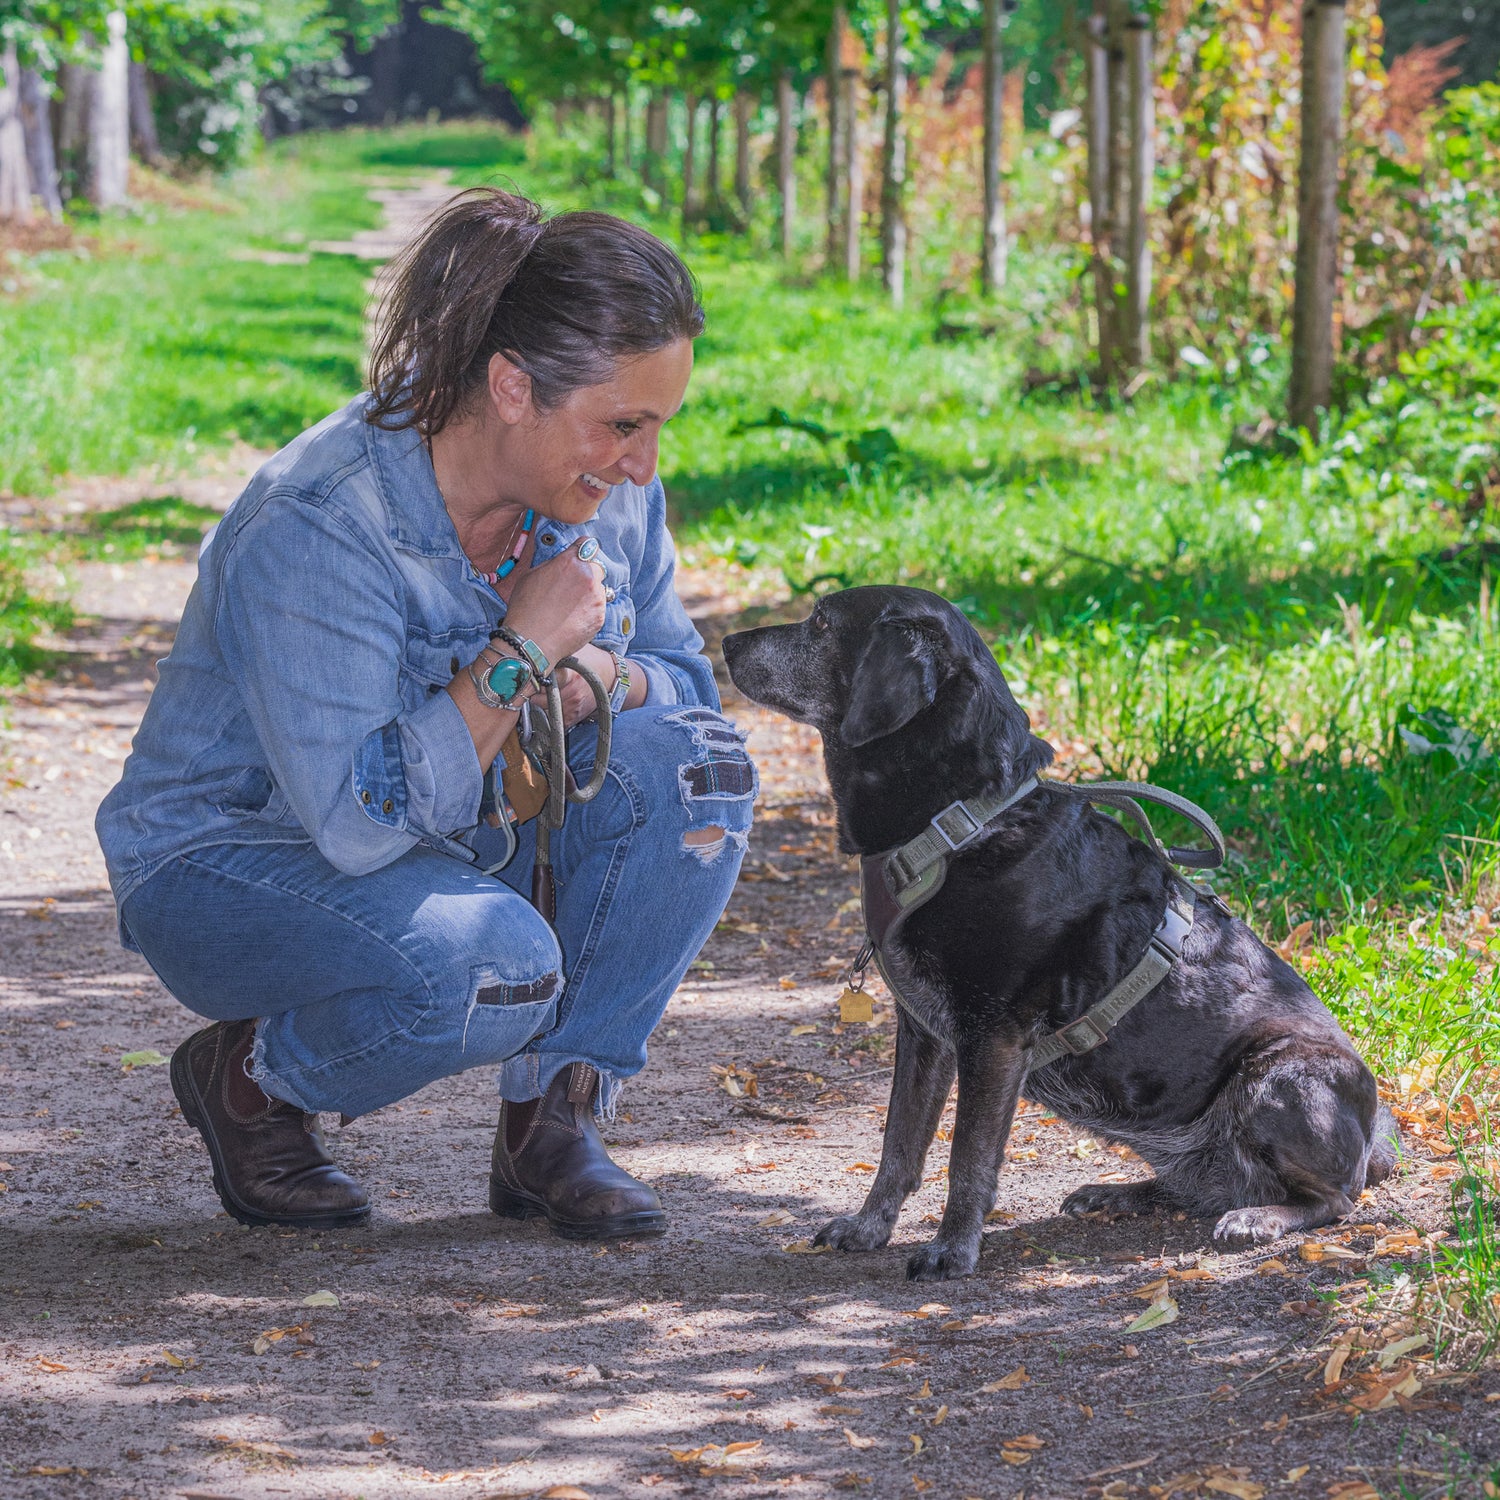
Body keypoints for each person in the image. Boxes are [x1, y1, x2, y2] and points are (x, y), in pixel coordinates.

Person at [95, 188, 757, 1242]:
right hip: (236, 861)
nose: (644, 465)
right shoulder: (321, 519)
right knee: (496, 968)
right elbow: (356, 823)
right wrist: (520, 653)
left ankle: (554, 1121)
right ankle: (251, 1080)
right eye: (624, 425)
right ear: (510, 387)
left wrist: (598, 683)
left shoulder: (609, 488)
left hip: (452, 840)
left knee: (697, 769)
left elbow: (685, 685)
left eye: (659, 425)